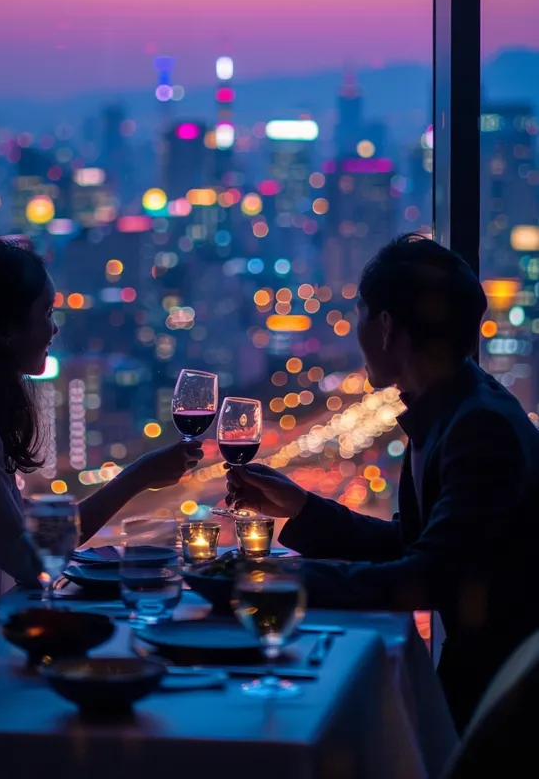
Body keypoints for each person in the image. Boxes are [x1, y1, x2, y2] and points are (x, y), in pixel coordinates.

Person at [226, 234, 539, 732]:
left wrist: (277, 583)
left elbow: (429, 574)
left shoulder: (480, 428)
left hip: (501, 717)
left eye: (360, 315)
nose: (356, 332)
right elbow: (419, 543)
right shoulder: (457, 407)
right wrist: (300, 507)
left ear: (387, 327)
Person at [0, 237, 203, 610]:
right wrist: (137, 478)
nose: (54, 330)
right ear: (4, 329)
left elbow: (21, 525)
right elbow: (34, 560)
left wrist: (139, 475)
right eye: (46, 314)